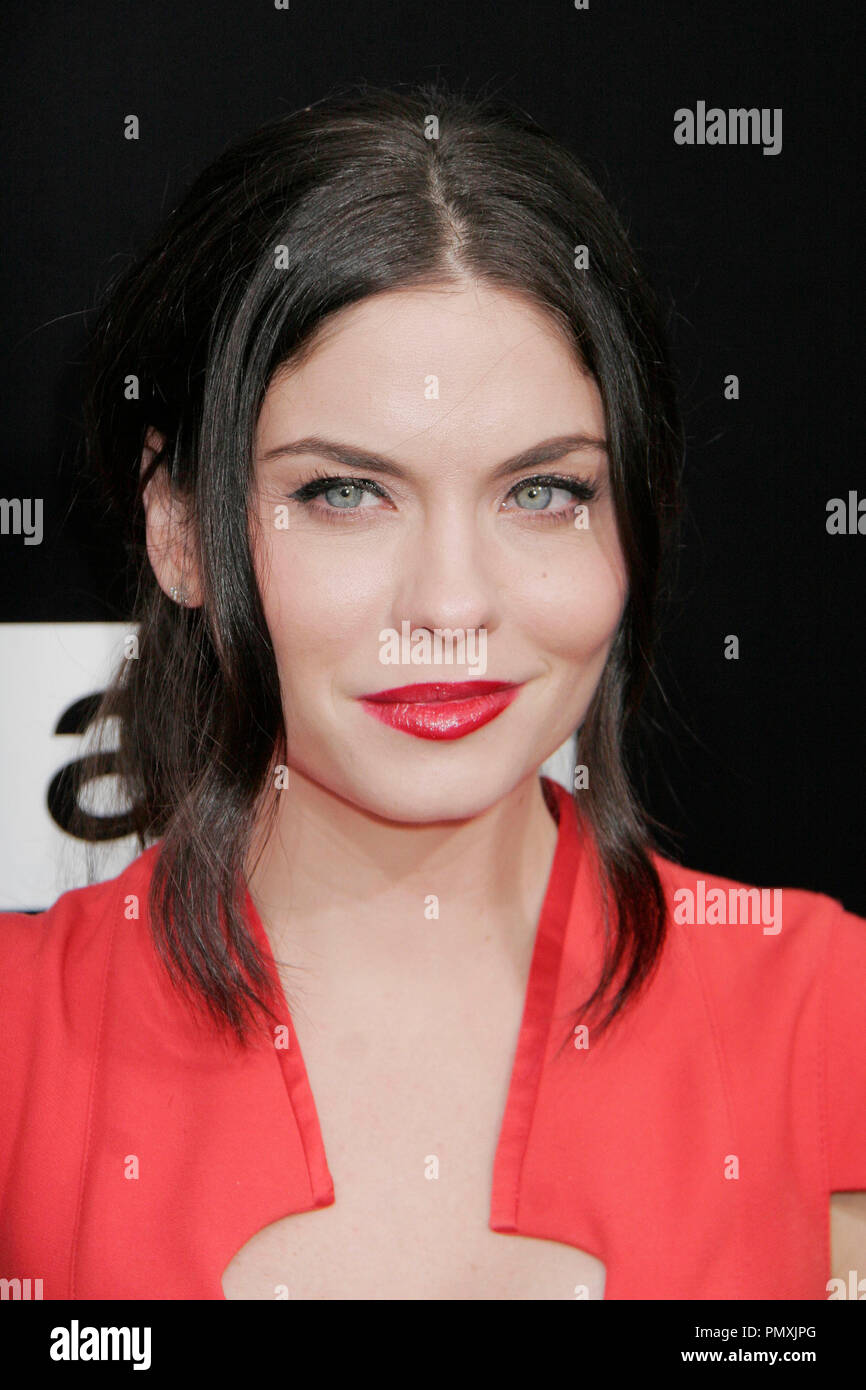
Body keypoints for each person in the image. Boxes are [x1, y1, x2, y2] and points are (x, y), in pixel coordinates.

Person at [1, 80, 864, 1302]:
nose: (450, 606)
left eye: (542, 492)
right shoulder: (17, 1044)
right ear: (178, 524)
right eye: (344, 492)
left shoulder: (827, 1016)